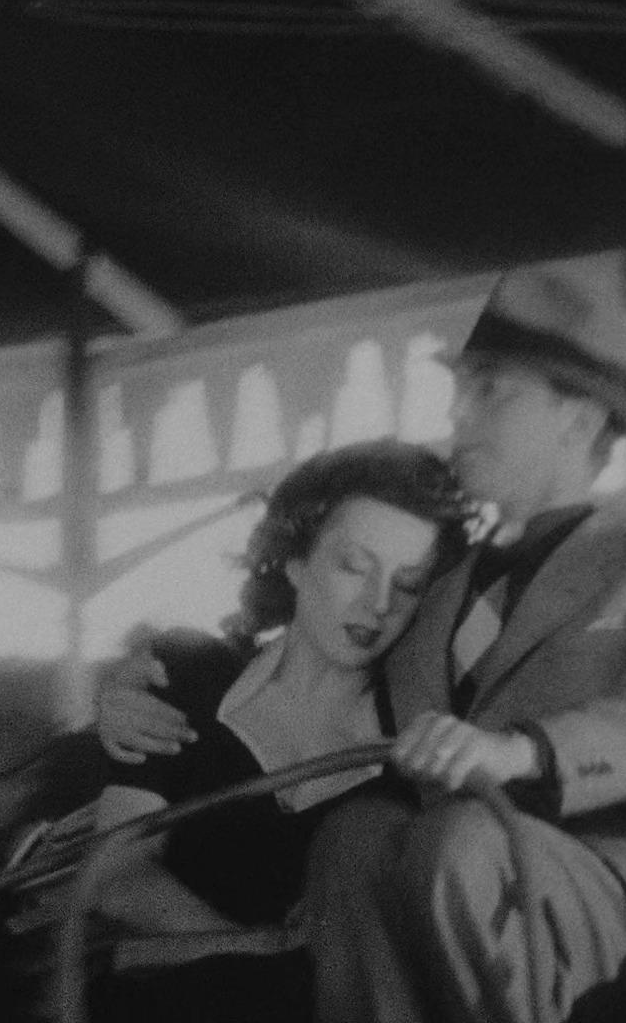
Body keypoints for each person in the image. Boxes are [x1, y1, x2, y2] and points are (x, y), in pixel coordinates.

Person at [97, 263, 626, 1023]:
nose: (456, 413)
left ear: (578, 421)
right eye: (460, 389)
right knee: (354, 837)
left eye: (491, 392)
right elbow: (301, 662)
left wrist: (520, 753)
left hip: (588, 915)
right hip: (434, 892)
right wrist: (125, 689)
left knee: (458, 839)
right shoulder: (430, 592)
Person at [89, 438, 469, 1022]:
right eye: (354, 566)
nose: (379, 603)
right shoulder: (188, 675)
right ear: (294, 560)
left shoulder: (411, 756)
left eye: (409, 583)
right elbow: (114, 876)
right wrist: (256, 956)